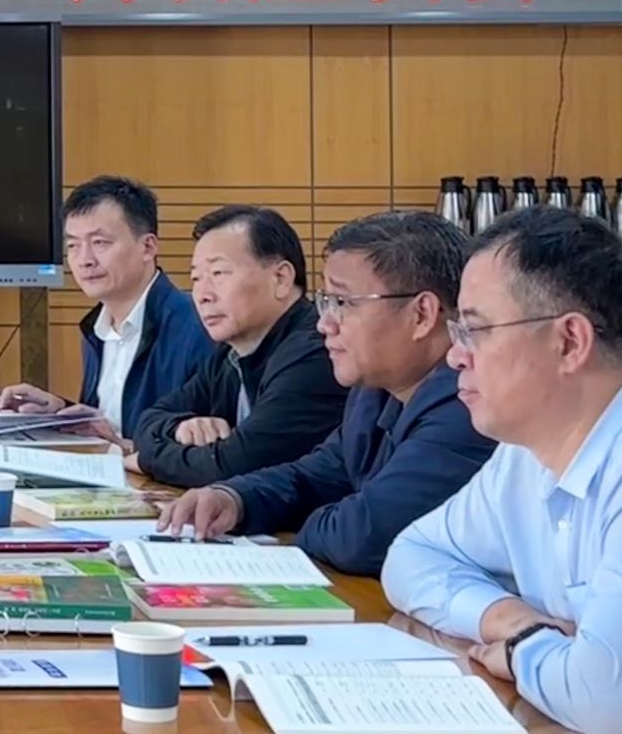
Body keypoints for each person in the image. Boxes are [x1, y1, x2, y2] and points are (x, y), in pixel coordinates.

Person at [384, 207, 622, 734]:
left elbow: (605, 700)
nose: (455, 357)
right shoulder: (524, 455)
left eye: (476, 330)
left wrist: (521, 649)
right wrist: (508, 618)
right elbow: (411, 557)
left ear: (570, 342)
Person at [157, 211, 493, 574]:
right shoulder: (373, 393)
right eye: (325, 302)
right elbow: (313, 477)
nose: (324, 324)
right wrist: (234, 499)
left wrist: (303, 525)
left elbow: (362, 538)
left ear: (422, 315)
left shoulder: (468, 405)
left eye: (343, 303)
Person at [131, 204, 347, 487]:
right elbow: (148, 420)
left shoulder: (316, 352)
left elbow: (231, 467)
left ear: (281, 278)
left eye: (218, 273)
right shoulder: (230, 353)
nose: (203, 295)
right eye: (196, 278)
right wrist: (179, 427)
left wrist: (145, 460)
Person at [0, 176, 209, 440]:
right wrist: (59, 411)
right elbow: (110, 425)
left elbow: (208, 444)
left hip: (149, 468)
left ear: (148, 247)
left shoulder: (198, 327)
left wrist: (126, 448)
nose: (85, 260)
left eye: (100, 243)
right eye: (73, 245)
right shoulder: (95, 329)